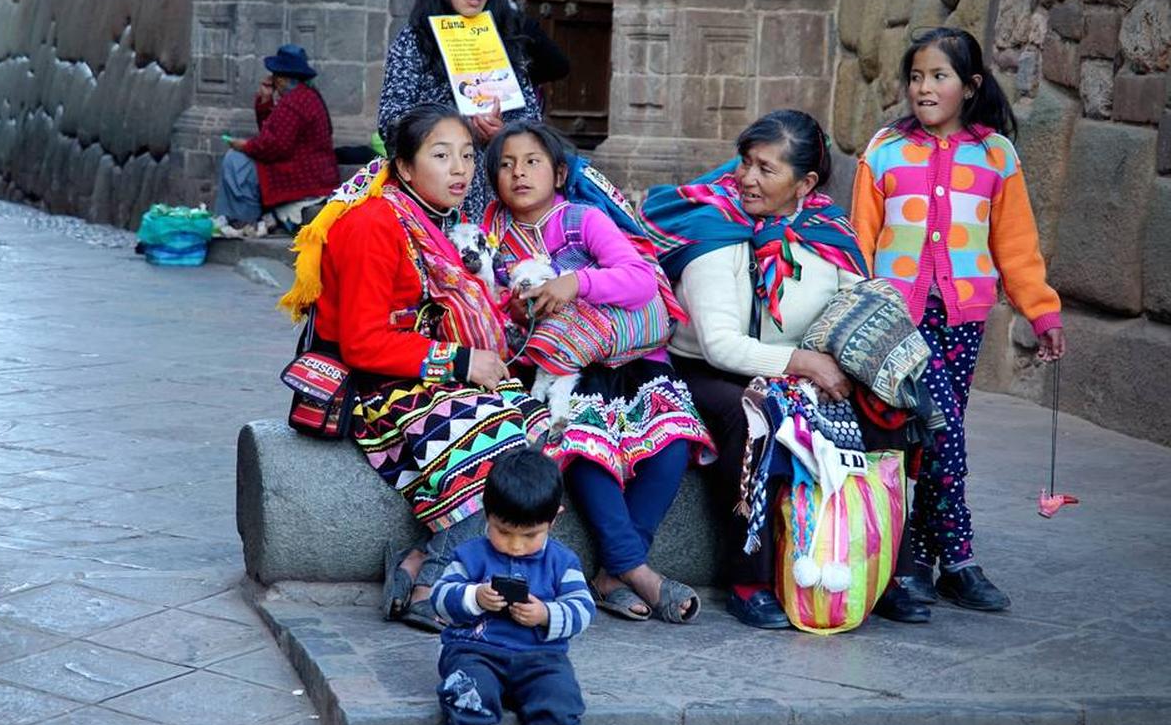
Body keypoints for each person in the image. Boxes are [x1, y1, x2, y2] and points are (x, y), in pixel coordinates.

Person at [642, 109, 930, 629]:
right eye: (746, 163)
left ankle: (886, 565)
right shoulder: (714, 227)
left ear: (807, 183)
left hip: (804, 367)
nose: (748, 178)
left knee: (883, 411)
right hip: (709, 371)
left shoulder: (826, 230)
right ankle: (749, 576)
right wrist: (802, 365)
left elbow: (854, 302)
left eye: (767, 169)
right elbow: (722, 347)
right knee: (755, 419)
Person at [278, 102, 549, 632]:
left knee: (541, 432)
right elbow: (362, 343)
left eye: (468, 157)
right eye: (441, 155)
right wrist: (462, 360)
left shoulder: (435, 223)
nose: (460, 170)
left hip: (431, 379)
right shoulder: (372, 225)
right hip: (379, 389)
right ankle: (431, 583)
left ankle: (416, 559)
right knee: (489, 441)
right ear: (404, 166)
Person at [851, 26, 1065, 612]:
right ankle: (960, 558)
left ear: (969, 87)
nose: (924, 87)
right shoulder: (885, 149)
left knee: (938, 435)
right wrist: (860, 306)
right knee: (937, 432)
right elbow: (860, 243)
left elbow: (1017, 246)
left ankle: (920, 562)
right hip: (897, 321)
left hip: (962, 317)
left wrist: (1041, 310)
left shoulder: (995, 154)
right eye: (916, 77)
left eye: (938, 77)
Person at [483, 121, 714, 623]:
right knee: (583, 449)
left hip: (630, 362)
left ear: (560, 172)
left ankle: (616, 568)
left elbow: (635, 279)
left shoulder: (582, 220)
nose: (518, 173)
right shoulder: (490, 236)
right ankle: (634, 571)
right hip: (558, 371)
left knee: (672, 444)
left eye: (532, 162)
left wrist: (576, 283)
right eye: (505, 164)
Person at [431, 447, 595, 725]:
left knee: (562, 699)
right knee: (467, 691)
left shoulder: (562, 562)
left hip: (541, 657)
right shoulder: (469, 554)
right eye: (504, 532)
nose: (516, 546)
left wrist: (546, 614)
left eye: (530, 535)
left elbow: (583, 609)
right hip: (476, 651)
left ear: (554, 519)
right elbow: (439, 597)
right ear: (487, 515)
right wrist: (474, 597)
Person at [378, 0, 543, 220]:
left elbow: (533, 125)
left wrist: (502, 131)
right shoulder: (416, 41)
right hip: (433, 200)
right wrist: (457, 127)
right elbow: (392, 122)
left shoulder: (505, 42)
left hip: (497, 198)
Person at [219, 44, 339, 236]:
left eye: (275, 76)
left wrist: (245, 146)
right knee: (240, 159)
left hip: (305, 174)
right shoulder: (305, 96)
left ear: (282, 79)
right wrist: (266, 101)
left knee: (236, 161)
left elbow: (273, 146)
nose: (273, 80)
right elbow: (274, 132)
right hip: (309, 169)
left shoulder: (295, 102)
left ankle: (243, 219)